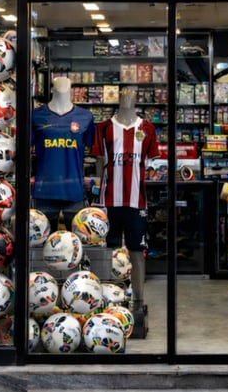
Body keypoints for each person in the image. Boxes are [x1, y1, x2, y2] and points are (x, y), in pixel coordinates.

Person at [91, 87, 159, 321]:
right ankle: (104, 297)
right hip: (108, 201)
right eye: (123, 94)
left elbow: (151, 164)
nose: (127, 97)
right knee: (106, 251)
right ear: (117, 98)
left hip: (137, 201)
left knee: (137, 252)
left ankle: (138, 301)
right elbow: (100, 162)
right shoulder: (104, 128)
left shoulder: (148, 128)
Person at [31, 76, 95, 230]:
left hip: (74, 192)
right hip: (44, 192)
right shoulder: (36, 116)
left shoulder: (86, 117)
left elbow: (93, 151)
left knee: (78, 243)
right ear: (52, 90)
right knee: (41, 246)